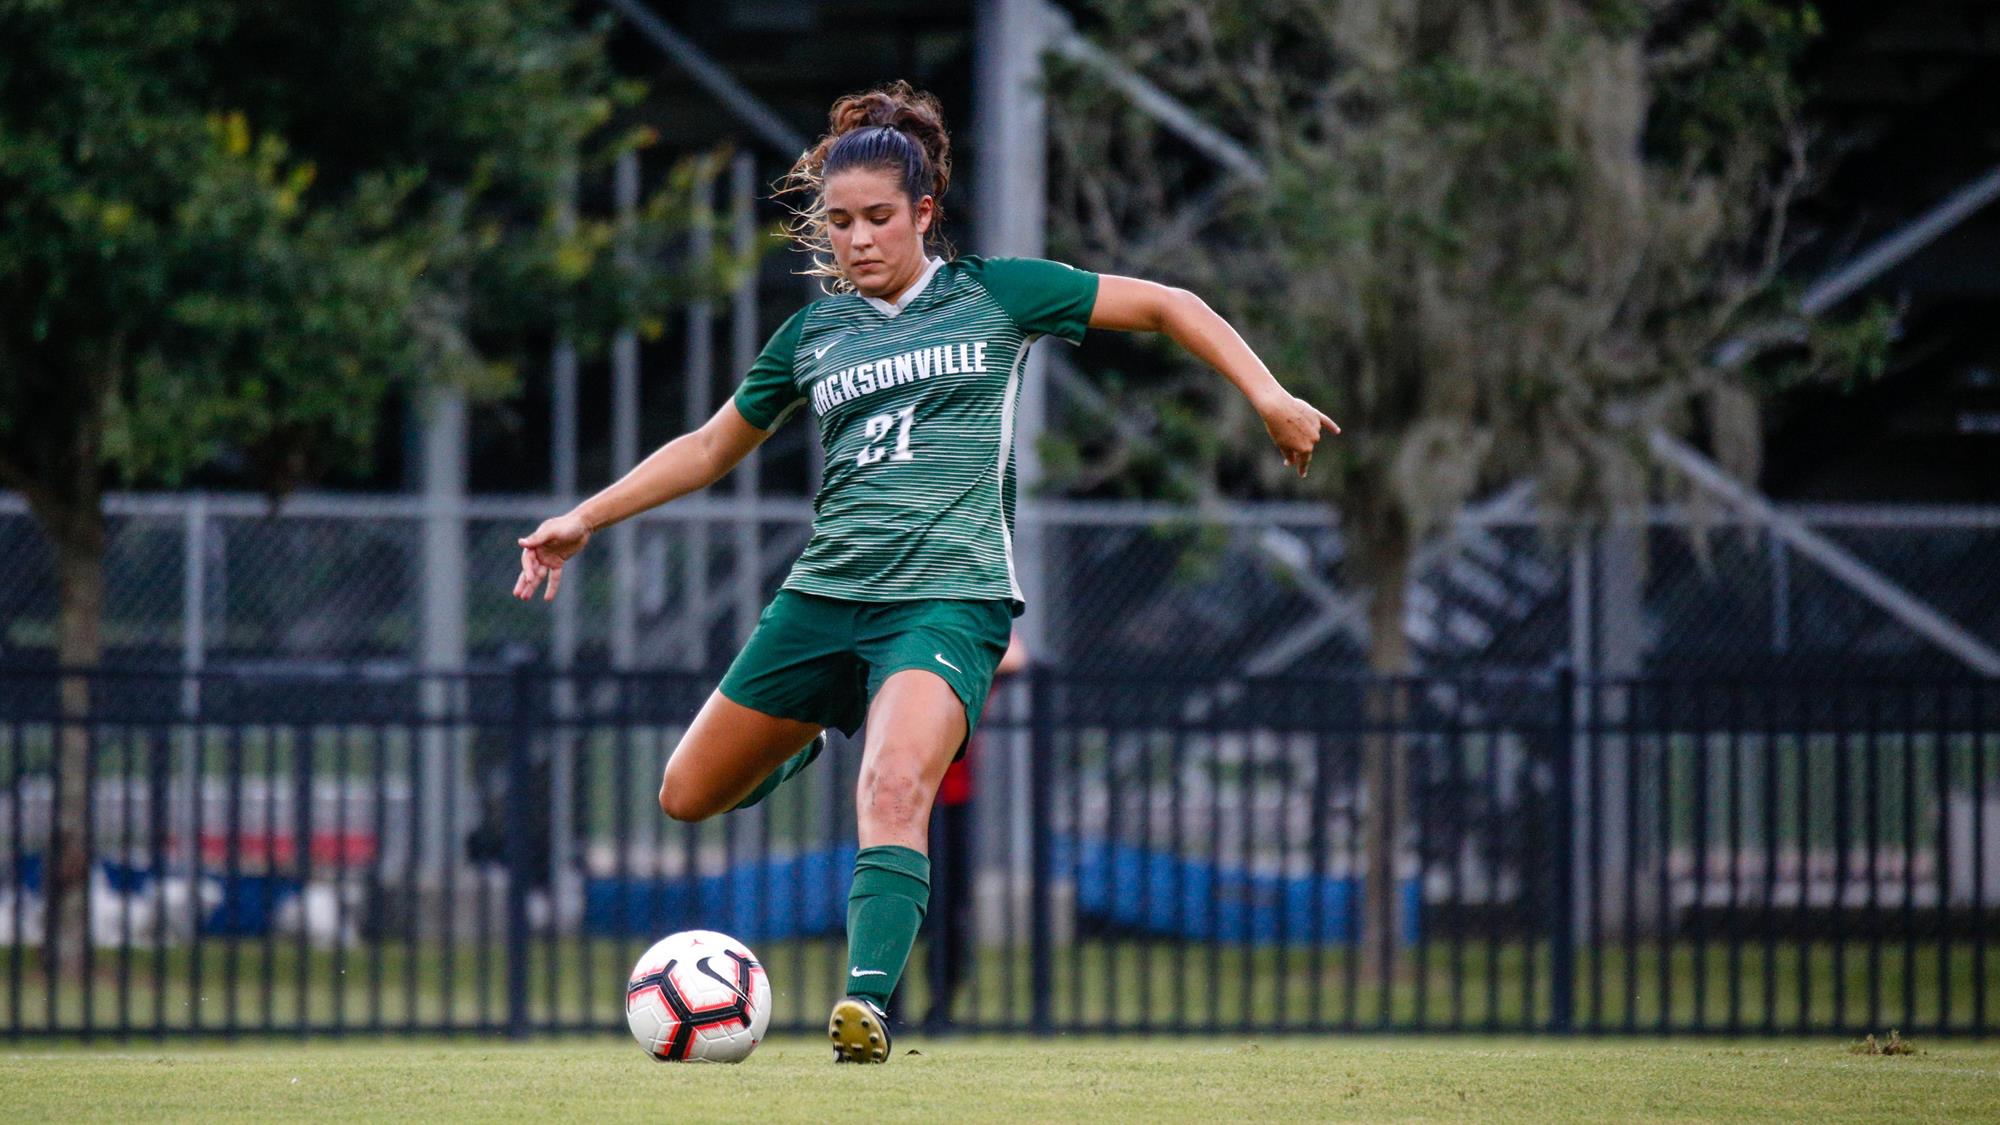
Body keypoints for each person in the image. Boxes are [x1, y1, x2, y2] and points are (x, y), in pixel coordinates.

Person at [511, 80, 1338, 1064]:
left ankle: (864, 1005)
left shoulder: (996, 293)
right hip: (823, 600)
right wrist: (585, 517)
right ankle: (807, 735)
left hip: (946, 599)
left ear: (923, 212)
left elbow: (1166, 304)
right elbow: (705, 447)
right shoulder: (812, 337)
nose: (858, 239)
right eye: (839, 222)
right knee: (684, 794)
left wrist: (1268, 394)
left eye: (878, 218)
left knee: (896, 782)